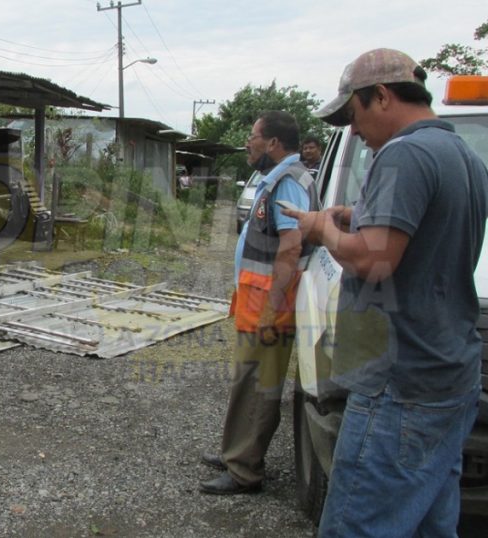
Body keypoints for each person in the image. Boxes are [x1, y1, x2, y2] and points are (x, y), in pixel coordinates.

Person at [283, 48, 487, 536]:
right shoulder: (463, 156)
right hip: (449, 378)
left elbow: (374, 260)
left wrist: (320, 228)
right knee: (430, 525)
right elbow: (424, 237)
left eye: (353, 116)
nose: (353, 131)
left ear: (381, 96)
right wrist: (358, 218)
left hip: (400, 385)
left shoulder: (404, 153)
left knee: (357, 524)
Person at [199, 111, 317, 495]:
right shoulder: (277, 179)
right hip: (257, 302)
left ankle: (245, 470)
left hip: (270, 306)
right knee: (246, 383)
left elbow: (292, 245)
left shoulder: (288, 182)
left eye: (253, 136)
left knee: (259, 387)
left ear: (272, 143)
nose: (248, 142)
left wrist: (272, 308)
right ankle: (236, 451)